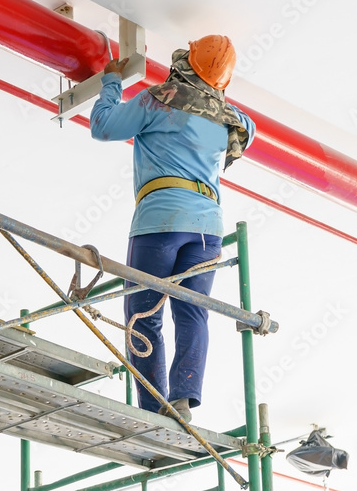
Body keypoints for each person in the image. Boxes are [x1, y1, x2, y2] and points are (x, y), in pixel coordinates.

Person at [89, 35, 255, 423]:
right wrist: (218, 104)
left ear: (187, 61)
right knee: (193, 313)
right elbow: (249, 127)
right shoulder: (226, 117)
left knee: (142, 315)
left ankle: (153, 407)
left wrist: (111, 82)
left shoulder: (158, 99)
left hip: (160, 221)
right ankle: (183, 398)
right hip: (208, 229)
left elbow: (103, 126)